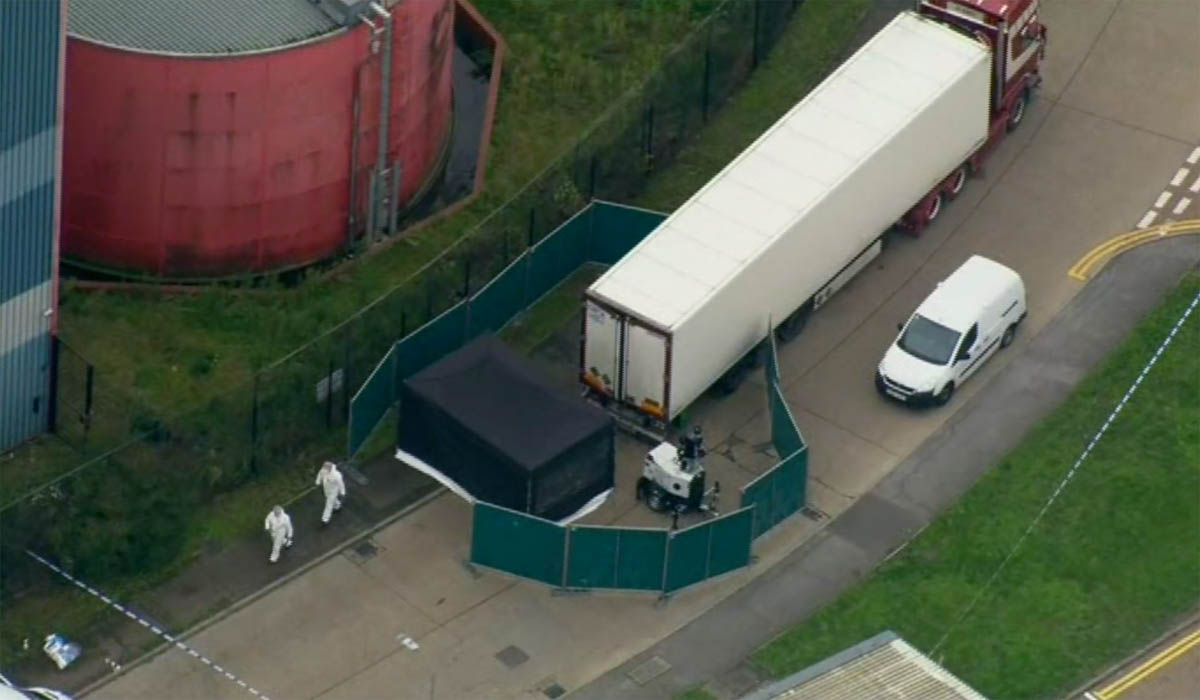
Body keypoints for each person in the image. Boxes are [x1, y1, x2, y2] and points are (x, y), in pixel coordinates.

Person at [315, 461, 346, 525]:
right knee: (330, 499)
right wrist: (317, 482)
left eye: (325, 468)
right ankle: (338, 505)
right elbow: (319, 475)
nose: (323, 469)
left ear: (329, 468)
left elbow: (341, 484)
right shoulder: (323, 470)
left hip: (333, 490)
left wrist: (342, 492)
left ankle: (325, 519)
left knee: (329, 503)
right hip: (326, 489)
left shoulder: (337, 475)